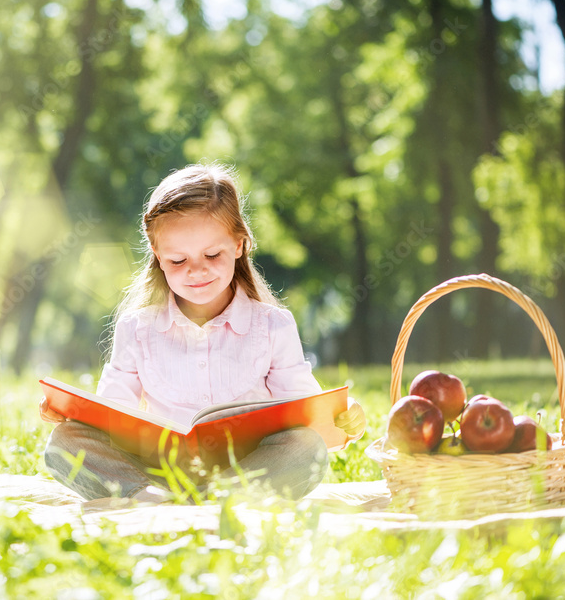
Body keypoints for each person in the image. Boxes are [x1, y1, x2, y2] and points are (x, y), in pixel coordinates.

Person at [40, 163, 366, 507]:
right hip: (157, 472)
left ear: (239, 245)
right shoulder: (137, 329)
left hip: (246, 469)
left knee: (306, 448)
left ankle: (217, 500)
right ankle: (156, 500)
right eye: (178, 260)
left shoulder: (273, 326)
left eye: (212, 254)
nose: (196, 270)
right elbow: (113, 411)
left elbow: (304, 409)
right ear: (158, 258)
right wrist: (75, 415)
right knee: (64, 442)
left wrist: (343, 415)